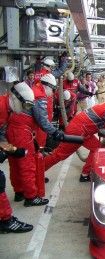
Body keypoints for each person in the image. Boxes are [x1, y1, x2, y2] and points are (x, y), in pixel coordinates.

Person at [44, 97, 105, 182]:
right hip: (78, 131)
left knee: (96, 149)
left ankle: (85, 174)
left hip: (83, 130)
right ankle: (37, 173)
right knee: (59, 155)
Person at [7, 74, 63, 207]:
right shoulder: (40, 96)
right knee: (28, 165)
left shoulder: (32, 90)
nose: (52, 92)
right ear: (48, 86)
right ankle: (31, 197)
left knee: (15, 163)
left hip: (12, 130)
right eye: (53, 89)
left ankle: (19, 192)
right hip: (22, 132)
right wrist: (55, 133)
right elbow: (42, 120)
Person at [0, 82, 35, 233]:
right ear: (15, 98)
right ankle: (5, 221)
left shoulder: (6, 109)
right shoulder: (1, 108)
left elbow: (1, 135)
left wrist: (12, 149)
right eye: (24, 105)